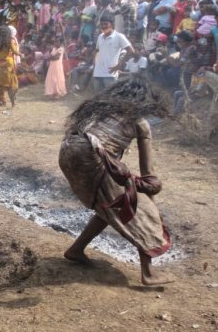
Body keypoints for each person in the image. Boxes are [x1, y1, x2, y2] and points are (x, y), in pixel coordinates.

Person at [59, 76, 174, 286]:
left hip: (67, 151)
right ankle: (148, 273)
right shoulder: (140, 123)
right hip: (90, 157)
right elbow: (149, 175)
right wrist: (149, 195)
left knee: (110, 204)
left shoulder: (98, 110)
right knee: (140, 208)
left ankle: (76, 250)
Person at [92, 15, 135, 92]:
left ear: (111, 24)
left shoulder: (119, 36)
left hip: (110, 74)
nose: (103, 26)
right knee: (97, 99)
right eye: (102, 24)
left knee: (110, 98)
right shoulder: (100, 37)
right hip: (98, 72)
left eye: (106, 24)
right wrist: (94, 61)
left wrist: (119, 65)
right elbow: (97, 50)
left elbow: (131, 50)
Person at [0, 26, 20, 113]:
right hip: (7, 67)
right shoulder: (9, 41)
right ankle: (13, 104)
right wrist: (21, 54)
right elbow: (15, 51)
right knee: (10, 86)